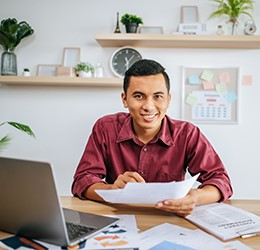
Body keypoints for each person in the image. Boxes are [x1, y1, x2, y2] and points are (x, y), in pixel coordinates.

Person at [72, 59, 233, 217]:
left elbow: (221, 181)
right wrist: (112, 190)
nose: (149, 106)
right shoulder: (105, 128)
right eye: (139, 96)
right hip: (119, 221)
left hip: (171, 222)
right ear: (124, 99)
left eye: (157, 96)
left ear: (168, 100)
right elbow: (82, 180)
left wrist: (195, 198)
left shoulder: (187, 134)